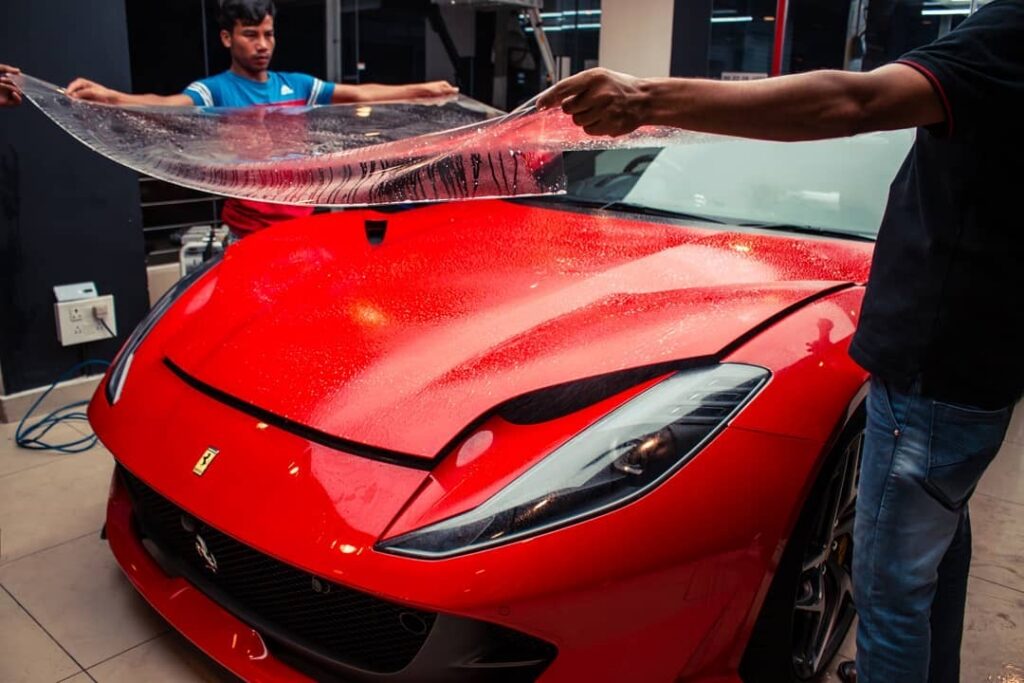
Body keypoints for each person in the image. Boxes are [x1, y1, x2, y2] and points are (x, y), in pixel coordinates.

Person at [539, 2, 1022, 682]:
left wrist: (646, 96)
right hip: (977, 365)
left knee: (887, 589)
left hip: (935, 372)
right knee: (931, 551)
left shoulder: (1011, 32)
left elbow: (853, 99)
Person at [65, 0, 457, 239]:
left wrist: (423, 91)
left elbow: (362, 94)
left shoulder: (297, 84)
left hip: (302, 224)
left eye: (268, 34)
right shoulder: (215, 90)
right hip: (248, 231)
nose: (263, 44)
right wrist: (111, 97)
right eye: (251, 35)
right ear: (226, 39)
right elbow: (164, 105)